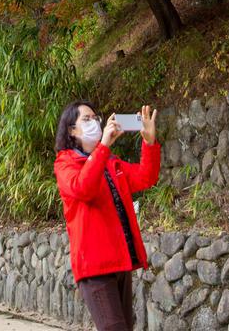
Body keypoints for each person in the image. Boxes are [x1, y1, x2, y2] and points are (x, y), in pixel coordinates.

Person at [54, 103, 160, 331]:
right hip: (95, 267)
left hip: (120, 262)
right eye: (86, 119)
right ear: (71, 130)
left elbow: (145, 177)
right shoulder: (65, 163)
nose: (94, 122)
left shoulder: (111, 162)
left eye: (95, 117)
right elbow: (83, 189)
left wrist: (149, 142)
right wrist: (102, 147)